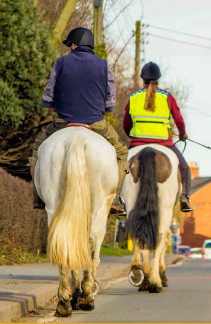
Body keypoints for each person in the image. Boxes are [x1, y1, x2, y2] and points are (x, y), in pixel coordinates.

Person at [30, 27, 129, 209]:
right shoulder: (104, 65)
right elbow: (110, 105)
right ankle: (115, 199)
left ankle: (38, 196)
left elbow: (48, 100)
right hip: (96, 122)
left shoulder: (60, 63)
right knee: (122, 152)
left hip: (63, 122)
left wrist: (59, 108)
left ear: (74, 45)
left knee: (38, 147)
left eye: (70, 45)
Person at [121, 62, 193, 212]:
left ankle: (117, 199)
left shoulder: (133, 97)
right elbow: (179, 119)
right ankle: (185, 198)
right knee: (185, 168)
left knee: (119, 167)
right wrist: (182, 133)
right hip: (164, 144)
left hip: (136, 144)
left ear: (142, 80)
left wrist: (134, 137)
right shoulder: (167, 97)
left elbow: (126, 124)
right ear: (158, 80)